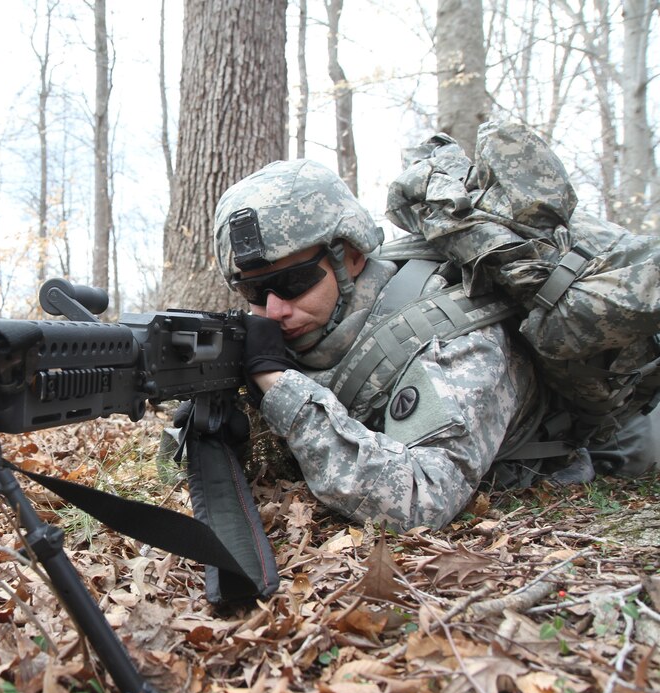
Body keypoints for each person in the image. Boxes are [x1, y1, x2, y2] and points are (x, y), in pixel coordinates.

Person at [212, 158, 655, 531]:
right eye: (253, 293)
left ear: (350, 254)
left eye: (291, 282)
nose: (272, 311)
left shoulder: (453, 334)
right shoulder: (315, 324)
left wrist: (283, 390)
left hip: (618, 435)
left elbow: (419, 500)